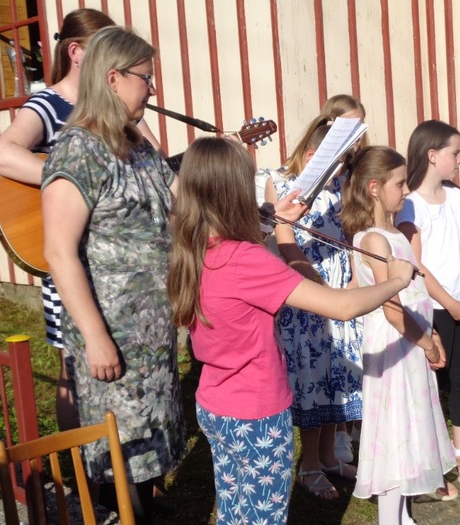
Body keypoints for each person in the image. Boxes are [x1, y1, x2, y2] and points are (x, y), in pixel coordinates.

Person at [167, 136, 420, 525]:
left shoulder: (194, 246)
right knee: (263, 518)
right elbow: (342, 306)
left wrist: (273, 220)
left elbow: (238, 262)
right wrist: (397, 280)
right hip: (257, 416)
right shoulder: (247, 260)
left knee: (236, 512)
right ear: (235, 192)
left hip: (216, 404)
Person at [0, 8, 163, 434]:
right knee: (74, 366)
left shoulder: (125, 114)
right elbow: (3, 154)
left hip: (128, 283)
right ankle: (82, 459)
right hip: (77, 259)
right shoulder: (50, 105)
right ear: (77, 53)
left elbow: (157, 171)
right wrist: (75, 184)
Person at [41, 26, 186, 524]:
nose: (152, 88)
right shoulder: (77, 150)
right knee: (119, 448)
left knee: (148, 444)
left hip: (151, 335)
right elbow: (59, 252)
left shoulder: (137, 145)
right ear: (113, 78)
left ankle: (142, 504)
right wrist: (96, 337)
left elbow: (178, 205)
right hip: (113, 336)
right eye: (146, 77)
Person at [342, 145, 456, 524]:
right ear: (375, 188)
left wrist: (430, 336)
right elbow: (391, 309)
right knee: (393, 435)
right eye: (400, 183)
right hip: (395, 347)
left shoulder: (395, 233)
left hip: (412, 342)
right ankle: (389, 520)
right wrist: (427, 345)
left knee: (410, 428)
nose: (406, 190)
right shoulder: (373, 240)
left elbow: (415, 294)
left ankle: (404, 515)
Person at [263, 114, 363, 500]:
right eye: (336, 162)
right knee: (312, 379)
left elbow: (350, 233)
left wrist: (353, 280)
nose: (341, 170)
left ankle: (328, 458)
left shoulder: (340, 184)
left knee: (336, 376)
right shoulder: (282, 184)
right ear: (311, 156)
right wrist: (322, 290)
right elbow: (287, 245)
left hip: (339, 290)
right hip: (305, 293)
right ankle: (309, 466)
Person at [395, 119, 460, 494]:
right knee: (431, 384)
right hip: (435, 308)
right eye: (455, 152)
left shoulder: (456, 197)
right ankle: (430, 461)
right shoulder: (410, 206)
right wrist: (449, 304)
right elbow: (416, 265)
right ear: (433, 155)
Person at [321, 93, 367, 463]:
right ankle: (335, 431)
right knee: (331, 351)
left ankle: (353, 425)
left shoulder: (356, 174)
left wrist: (356, 272)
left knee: (354, 349)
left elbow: (355, 227)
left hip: (348, 263)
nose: (355, 138)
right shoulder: (321, 170)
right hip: (323, 267)